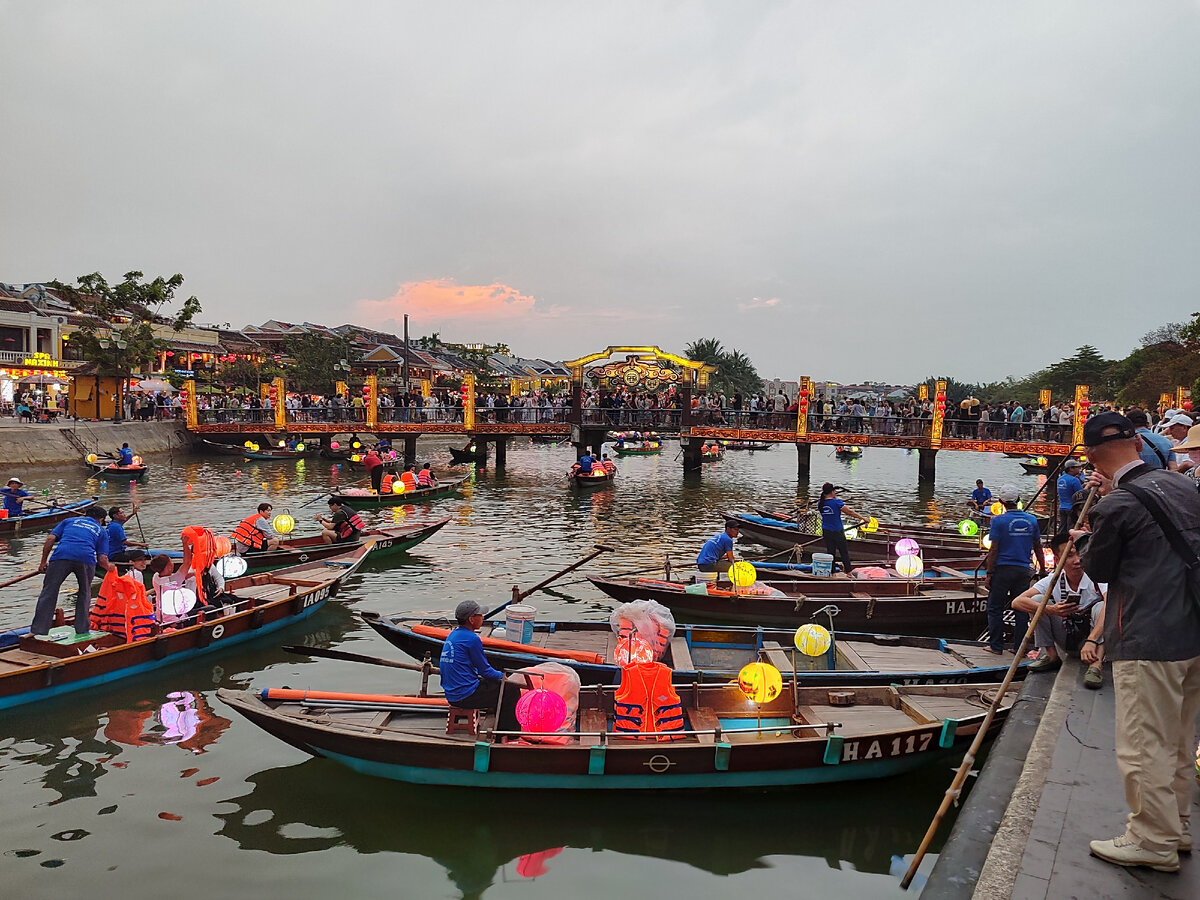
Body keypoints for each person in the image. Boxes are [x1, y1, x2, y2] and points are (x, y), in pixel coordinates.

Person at [1070, 411, 1200, 872]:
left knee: (1146, 743)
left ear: (1091, 458)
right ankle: (1176, 826)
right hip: (1191, 629)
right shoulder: (1183, 485)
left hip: (1147, 634)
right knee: (1181, 738)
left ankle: (1152, 840)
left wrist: (1083, 541)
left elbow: (1100, 571)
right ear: (1140, 445)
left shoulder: (1116, 506)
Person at [1010, 531, 1106, 687]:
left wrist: (1092, 640)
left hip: (1093, 642)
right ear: (1057, 560)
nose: (1077, 561)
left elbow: (1111, 604)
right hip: (1068, 637)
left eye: (1079, 554)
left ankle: (1096, 665)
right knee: (1038, 601)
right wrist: (1052, 610)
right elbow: (1017, 602)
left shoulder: (1095, 576)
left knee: (1102, 607)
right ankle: (1051, 656)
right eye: (1069, 556)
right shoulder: (1054, 579)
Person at [31, 506, 113, 638]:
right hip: (86, 559)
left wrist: (43, 562)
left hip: (61, 556)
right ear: (101, 520)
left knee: (49, 592)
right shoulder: (101, 531)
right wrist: (110, 567)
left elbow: (50, 539)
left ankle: (37, 630)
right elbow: (102, 559)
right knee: (85, 593)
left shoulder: (69, 521)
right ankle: (82, 629)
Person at [440, 599, 520, 734]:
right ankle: (507, 734)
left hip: (451, 693)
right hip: (465, 696)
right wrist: (504, 677)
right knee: (511, 690)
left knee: (495, 683)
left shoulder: (453, 634)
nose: (482, 617)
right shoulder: (472, 639)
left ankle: (499, 717)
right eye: (480, 615)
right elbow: (486, 671)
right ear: (471, 619)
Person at [983, 484, 1039, 655]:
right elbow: (1038, 545)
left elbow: (993, 549)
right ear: (1019, 500)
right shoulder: (1032, 520)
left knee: (995, 608)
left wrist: (989, 573)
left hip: (1002, 569)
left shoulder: (998, 521)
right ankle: (1019, 648)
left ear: (1001, 502)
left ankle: (996, 646)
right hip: (1023, 570)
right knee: (1021, 609)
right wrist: (1042, 568)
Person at [817, 482, 868, 574]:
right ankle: (849, 573)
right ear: (832, 492)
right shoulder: (837, 502)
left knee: (830, 552)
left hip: (826, 530)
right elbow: (850, 512)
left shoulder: (820, 503)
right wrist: (863, 518)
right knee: (843, 552)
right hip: (837, 531)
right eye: (834, 491)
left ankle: (832, 573)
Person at [1056, 460, 1084, 526]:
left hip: (1062, 507)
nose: (1079, 470)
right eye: (1077, 468)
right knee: (1071, 527)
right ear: (1071, 469)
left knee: (1062, 527)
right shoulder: (1074, 480)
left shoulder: (1060, 479)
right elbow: (1081, 494)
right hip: (1071, 508)